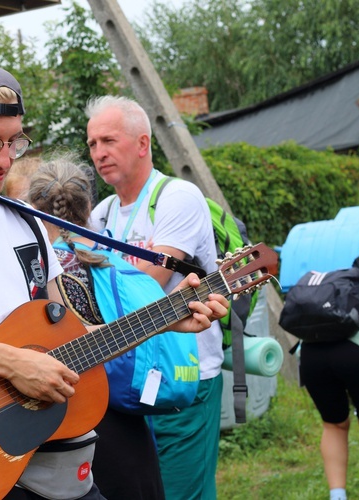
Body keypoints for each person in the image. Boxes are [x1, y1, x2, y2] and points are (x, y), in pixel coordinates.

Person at [0, 61, 226, 499]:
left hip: (60, 465)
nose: (5, 157)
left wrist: (163, 318)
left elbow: (70, 341)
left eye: (14, 141)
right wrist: (12, 363)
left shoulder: (29, 227)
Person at [86, 95, 224, 500]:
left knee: (184, 492)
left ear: (143, 144)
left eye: (109, 140)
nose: (99, 153)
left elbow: (145, 287)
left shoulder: (176, 197)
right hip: (130, 377)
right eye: (93, 144)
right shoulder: (103, 213)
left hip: (184, 374)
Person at [27, 154, 165, 500]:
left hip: (74, 417)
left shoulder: (37, 267)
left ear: (31, 207)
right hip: (126, 412)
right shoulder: (110, 258)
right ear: (89, 205)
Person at [299, 260, 359, 500]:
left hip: (312, 354)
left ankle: (338, 495)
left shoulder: (341, 284)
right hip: (356, 351)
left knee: (334, 424)